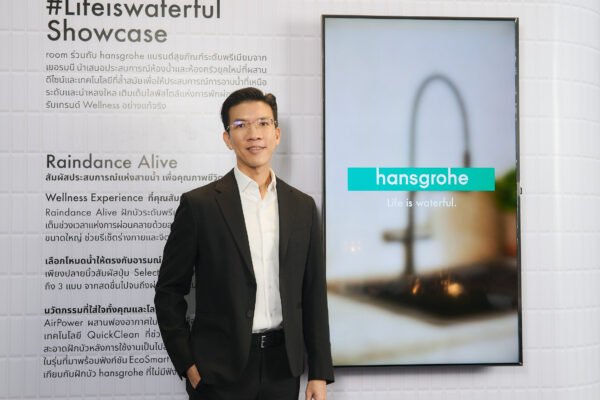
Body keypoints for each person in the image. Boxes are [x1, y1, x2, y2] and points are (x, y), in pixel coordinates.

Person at [154, 87, 334, 400]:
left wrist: (319, 371)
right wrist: (189, 364)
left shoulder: (303, 207)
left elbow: (313, 292)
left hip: (283, 368)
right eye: (241, 125)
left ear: (277, 134)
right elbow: (169, 291)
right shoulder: (200, 205)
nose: (254, 134)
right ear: (227, 138)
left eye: (263, 123)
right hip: (218, 371)